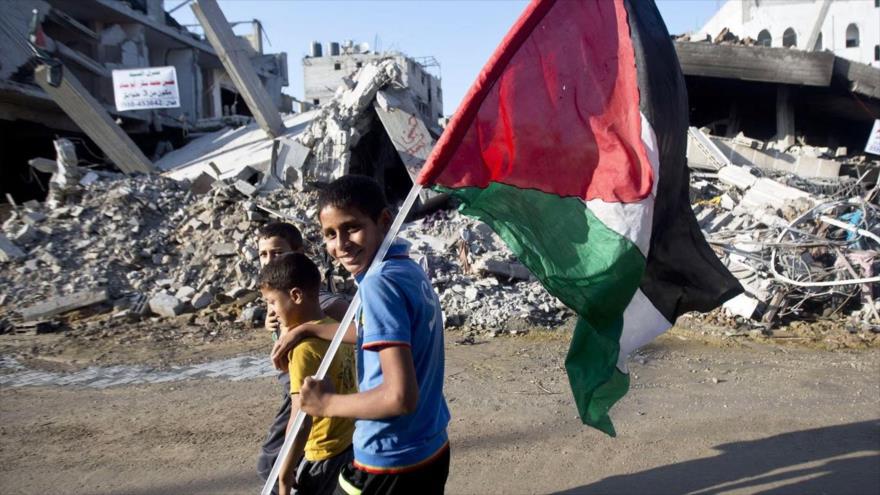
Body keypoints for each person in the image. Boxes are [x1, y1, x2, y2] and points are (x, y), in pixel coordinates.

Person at [271, 176, 450, 494]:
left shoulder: (379, 284)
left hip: (387, 459)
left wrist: (325, 404)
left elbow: (400, 397)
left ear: (383, 221)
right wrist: (311, 328)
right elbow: (379, 333)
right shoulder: (407, 270)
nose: (340, 244)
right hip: (431, 446)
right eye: (329, 234)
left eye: (351, 227)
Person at [256, 222, 351, 492]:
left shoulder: (324, 312)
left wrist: (285, 472)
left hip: (320, 443)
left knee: (271, 465)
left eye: (277, 253)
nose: (269, 260)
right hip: (337, 439)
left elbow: (301, 419)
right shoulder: (302, 312)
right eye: (263, 254)